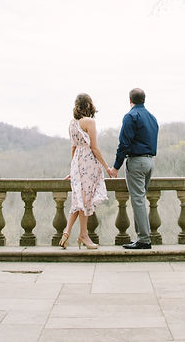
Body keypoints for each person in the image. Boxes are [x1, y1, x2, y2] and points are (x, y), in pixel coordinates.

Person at [108, 87, 158, 250]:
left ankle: (144, 239)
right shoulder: (152, 117)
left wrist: (116, 167)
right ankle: (141, 237)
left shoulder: (131, 116)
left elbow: (124, 143)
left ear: (130, 101)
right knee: (140, 199)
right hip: (150, 162)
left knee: (137, 200)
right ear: (144, 99)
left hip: (136, 162)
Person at [60, 93, 112, 250]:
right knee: (85, 199)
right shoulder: (89, 122)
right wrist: (106, 167)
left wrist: (73, 170)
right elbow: (94, 148)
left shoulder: (72, 124)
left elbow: (73, 147)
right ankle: (83, 235)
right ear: (89, 105)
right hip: (88, 162)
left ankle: (67, 232)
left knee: (79, 198)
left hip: (77, 161)